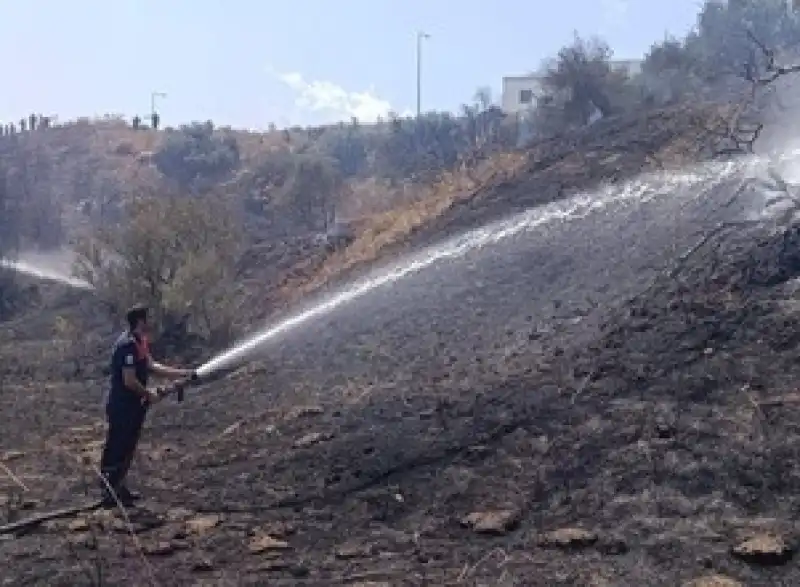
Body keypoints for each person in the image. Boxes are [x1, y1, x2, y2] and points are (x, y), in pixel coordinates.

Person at [99, 304, 195, 507]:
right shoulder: (126, 345)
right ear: (140, 321)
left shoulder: (139, 342)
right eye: (147, 319)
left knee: (128, 447)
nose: (150, 322)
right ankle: (109, 490)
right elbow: (129, 380)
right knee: (118, 446)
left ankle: (119, 488)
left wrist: (183, 373)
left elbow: (152, 366)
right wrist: (148, 394)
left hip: (134, 405)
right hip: (122, 406)